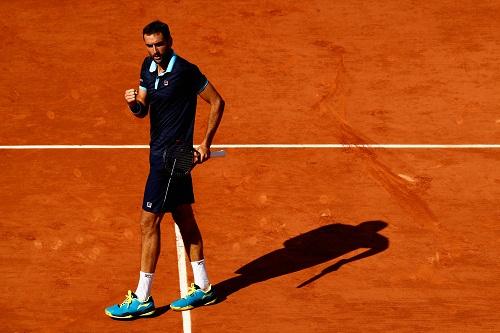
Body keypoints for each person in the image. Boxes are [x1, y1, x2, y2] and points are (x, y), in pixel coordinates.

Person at [105, 20, 224, 319]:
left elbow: (217, 102)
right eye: (149, 45)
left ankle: (143, 297)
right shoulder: (146, 66)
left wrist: (205, 143)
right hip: (158, 154)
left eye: (159, 44)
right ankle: (204, 286)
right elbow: (142, 110)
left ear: (169, 41)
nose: (155, 50)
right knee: (184, 217)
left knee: (148, 222)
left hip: (173, 159)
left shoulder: (185, 71)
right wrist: (133, 103)